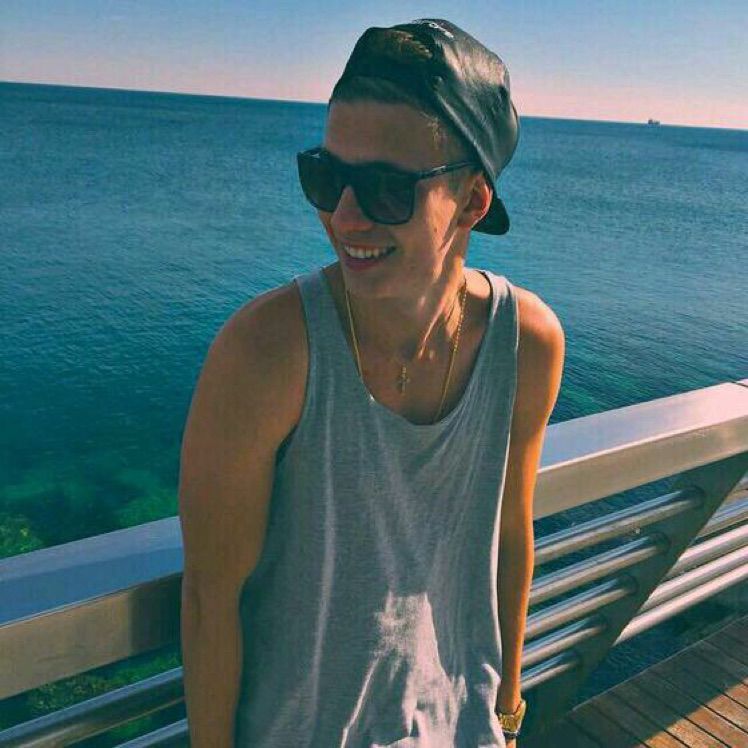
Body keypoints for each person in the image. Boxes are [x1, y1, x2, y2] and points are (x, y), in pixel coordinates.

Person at [179, 17, 565, 747]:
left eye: (388, 189)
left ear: (473, 201)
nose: (344, 215)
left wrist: (509, 711)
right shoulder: (266, 354)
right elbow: (209, 599)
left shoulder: (527, 344)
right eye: (326, 177)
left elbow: (510, 538)